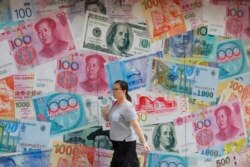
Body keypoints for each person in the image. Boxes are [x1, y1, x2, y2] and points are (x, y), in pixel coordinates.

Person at [101, 80, 150, 167]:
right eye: (113, 89)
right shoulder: (115, 104)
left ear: (124, 91)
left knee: (124, 164)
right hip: (117, 142)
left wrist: (144, 142)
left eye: (116, 89)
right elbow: (108, 119)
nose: (114, 91)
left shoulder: (128, 107)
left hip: (126, 143)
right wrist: (103, 111)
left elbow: (136, 126)